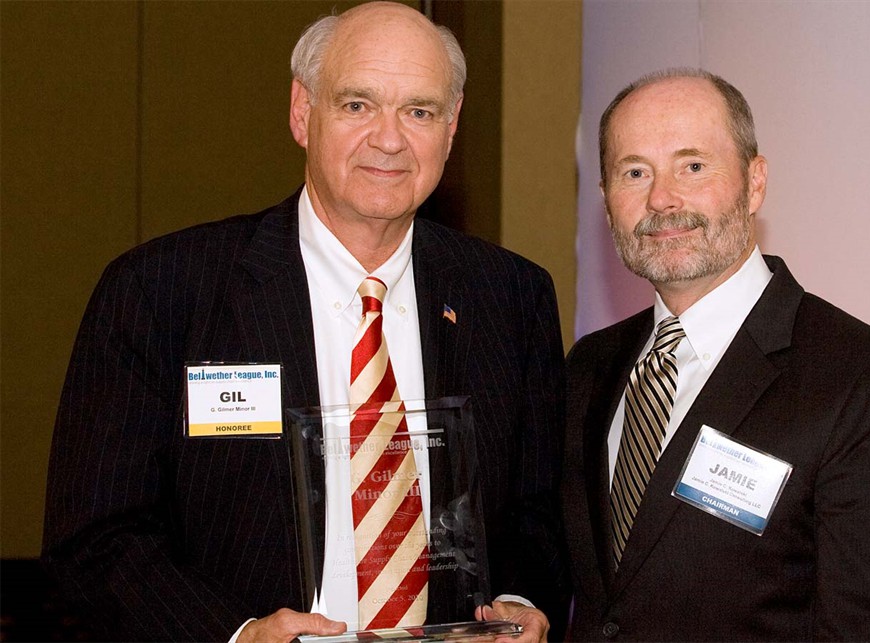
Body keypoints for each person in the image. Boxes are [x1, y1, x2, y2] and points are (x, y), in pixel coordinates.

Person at [42, 3, 567, 642]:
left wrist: (518, 599)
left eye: (419, 111)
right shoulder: (162, 291)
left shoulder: (512, 297)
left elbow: (538, 513)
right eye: (357, 105)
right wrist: (233, 636)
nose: (390, 138)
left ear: (452, 127)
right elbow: (95, 537)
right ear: (301, 112)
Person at [561, 68, 870, 641]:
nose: (661, 198)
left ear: (755, 181)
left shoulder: (864, 378)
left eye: (692, 166)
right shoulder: (589, 366)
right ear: (606, 200)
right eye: (634, 171)